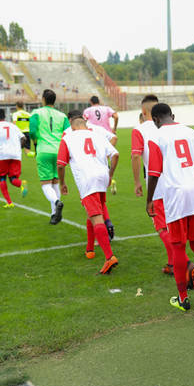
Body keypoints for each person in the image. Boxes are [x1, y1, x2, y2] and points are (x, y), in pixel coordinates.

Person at [147, 103, 194, 312]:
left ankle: (182, 297)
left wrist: (149, 200)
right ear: (172, 115)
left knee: (179, 246)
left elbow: (154, 173)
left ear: (155, 120)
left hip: (177, 195)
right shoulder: (192, 133)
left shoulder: (157, 137)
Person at [132, 95, 194, 278]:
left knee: (162, 228)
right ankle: (172, 263)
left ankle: (185, 263)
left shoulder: (139, 130)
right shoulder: (175, 126)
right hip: (181, 184)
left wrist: (137, 182)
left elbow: (136, 156)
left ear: (144, 112)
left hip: (159, 187)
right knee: (175, 227)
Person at [57, 117, 119, 274]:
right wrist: (110, 174)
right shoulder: (97, 134)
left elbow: (60, 164)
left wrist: (62, 183)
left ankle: (109, 257)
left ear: (73, 126)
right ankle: (90, 249)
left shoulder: (68, 137)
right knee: (92, 211)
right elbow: (115, 154)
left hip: (87, 179)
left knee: (96, 216)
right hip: (102, 176)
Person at [65, 109, 117, 242]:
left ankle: (102, 238)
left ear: (70, 121)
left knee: (92, 208)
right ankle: (106, 225)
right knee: (99, 200)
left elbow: (63, 156)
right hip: (102, 168)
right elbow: (114, 138)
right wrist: (102, 154)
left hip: (85, 173)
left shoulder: (68, 132)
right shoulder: (95, 128)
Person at [30, 89, 70, 224]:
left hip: (44, 150)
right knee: (55, 182)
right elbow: (68, 132)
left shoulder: (36, 113)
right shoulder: (62, 116)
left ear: (43, 99)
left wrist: (35, 142)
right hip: (59, 151)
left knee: (45, 184)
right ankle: (54, 214)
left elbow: (32, 131)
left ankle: (57, 202)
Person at [0, 109, 28, 208]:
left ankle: (9, 202)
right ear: (5, 116)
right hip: (16, 155)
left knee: (2, 178)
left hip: (2, 155)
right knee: (13, 178)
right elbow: (24, 139)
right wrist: (19, 149)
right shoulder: (14, 126)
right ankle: (22, 183)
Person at [84, 96, 119, 193]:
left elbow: (83, 121)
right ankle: (109, 180)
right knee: (104, 160)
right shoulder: (106, 108)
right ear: (99, 101)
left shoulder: (88, 110)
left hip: (94, 137)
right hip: (107, 137)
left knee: (94, 161)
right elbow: (116, 116)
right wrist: (114, 128)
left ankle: (96, 186)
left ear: (91, 102)